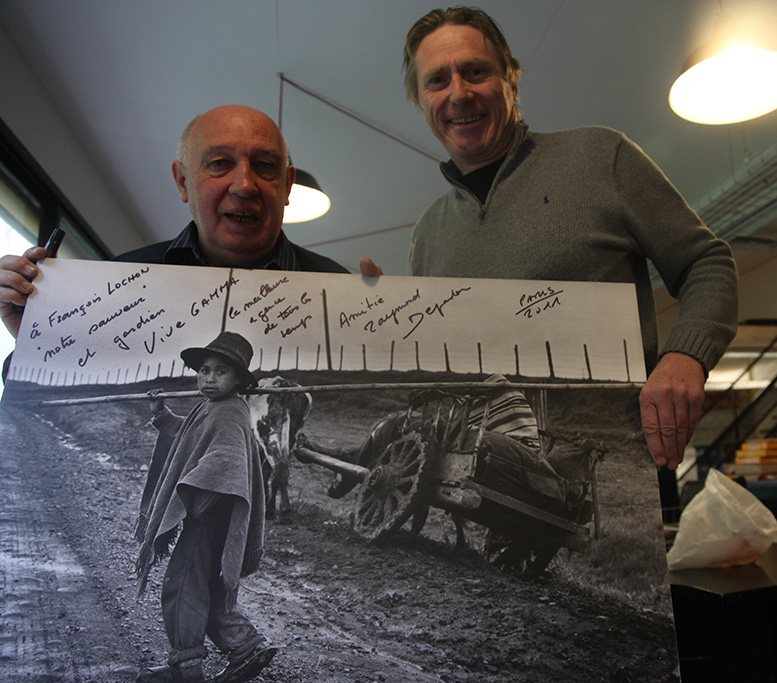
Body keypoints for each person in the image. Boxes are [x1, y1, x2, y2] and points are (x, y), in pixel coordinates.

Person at [400, 8, 739, 479]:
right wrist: (383, 316)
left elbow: (706, 262)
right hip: (479, 461)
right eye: (437, 81)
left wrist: (686, 356)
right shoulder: (426, 233)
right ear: (421, 102)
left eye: (476, 71)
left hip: (623, 460)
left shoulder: (602, 157)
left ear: (511, 81)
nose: (459, 92)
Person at [0, 104, 381, 372]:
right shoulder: (115, 283)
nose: (245, 185)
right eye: (219, 164)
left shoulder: (342, 291)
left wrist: (382, 328)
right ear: (183, 181)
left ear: (286, 186)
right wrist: (33, 338)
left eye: (265, 166)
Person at [136, 331, 272, 683]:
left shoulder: (230, 412)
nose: (209, 378)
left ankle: (187, 666)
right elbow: (190, 439)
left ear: (239, 379)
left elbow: (225, 464)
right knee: (205, 587)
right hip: (209, 516)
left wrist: (195, 504)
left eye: (221, 372)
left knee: (181, 585)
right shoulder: (212, 407)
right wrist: (163, 416)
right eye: (204, 370)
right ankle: (245, 646)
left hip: (207, 516)